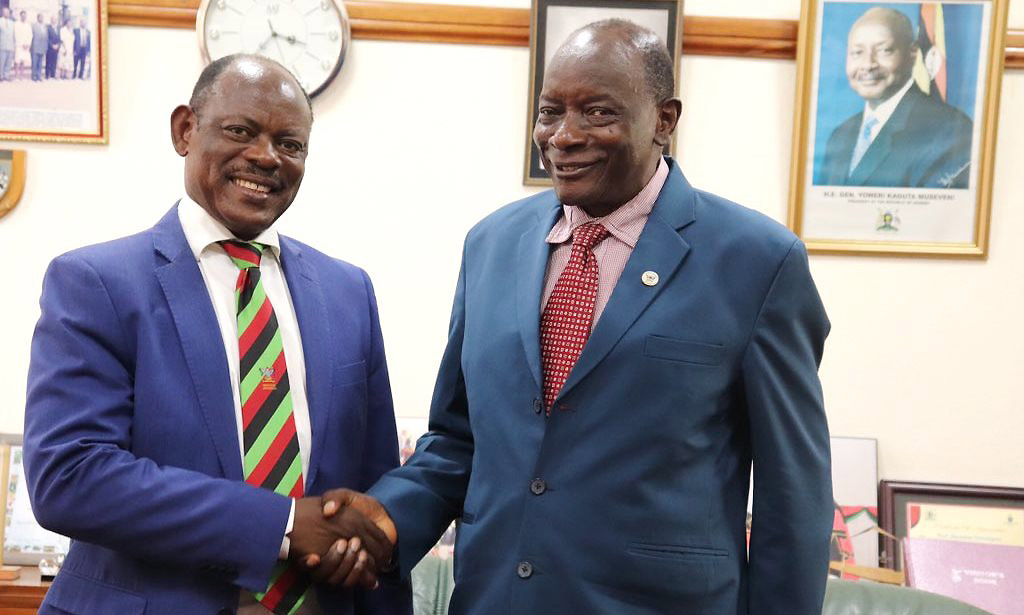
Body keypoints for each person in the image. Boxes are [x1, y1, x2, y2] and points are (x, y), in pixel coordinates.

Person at [325, 18, 833, 615]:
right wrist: (386, 520)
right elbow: (461, 440)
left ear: (664, 121)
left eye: (596, 112)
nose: (563, 136)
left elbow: (792, 496)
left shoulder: (757, 262)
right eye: (549, 111)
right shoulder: (491, 243)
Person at [24, 54, 411, 615]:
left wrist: (361, 543)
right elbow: (71, 475)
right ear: (185, 130)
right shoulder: (96, 283)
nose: (265, 156)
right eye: (240, 131)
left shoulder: (349, 292)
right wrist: (281, 526)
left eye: (291, 143)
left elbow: (374, 485)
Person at [817, 7, 973, 188]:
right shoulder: (840, 136)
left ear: (913, 54)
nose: (868, 64)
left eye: (884, 50)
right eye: (857, 52)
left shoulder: (950, 130)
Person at [14, 10, 31, 80]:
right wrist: (22, 44)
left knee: (23, 61)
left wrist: (27, 44)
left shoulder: (28, 25)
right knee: (17, 61)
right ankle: (16, 75)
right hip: (19, 45)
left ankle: (21, 75)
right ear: (20, 16)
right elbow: (16, 35)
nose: (24, 17)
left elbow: (30, 35)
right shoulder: (16, 24)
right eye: (22, 15)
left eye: (25, 16)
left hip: (26, 46)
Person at [30, 12, 46, 81]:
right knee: (34, 63)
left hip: (42, 47)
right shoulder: (33, 26)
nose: (42, 19)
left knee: (40, 63)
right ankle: (34, 76)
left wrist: (45, 47)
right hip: (35, 47)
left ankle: (39, 76)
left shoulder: (44, 26)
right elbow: (31, 36)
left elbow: (46, 37)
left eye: (42, 17)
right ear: (37, 18)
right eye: (40, 17)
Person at [0, 8, 14, 82]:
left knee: (9, 62)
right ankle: (1, 76)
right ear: (2, 13)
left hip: (10, 45)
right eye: (5, 12)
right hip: (2, 45)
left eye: (8, 13)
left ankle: (6, 75)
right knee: (1, 62)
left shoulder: (12, 22)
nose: (7, 14)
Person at [44, 14, 58, 79]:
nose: (54, 21)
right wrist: (52, 45)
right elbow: (47, 38)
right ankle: (47, 75)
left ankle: (53, 75)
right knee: (48, 61)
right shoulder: (48, 27)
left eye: (55, 20)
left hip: (56, 47)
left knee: (54, 61)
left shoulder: (58, 28)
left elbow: (60, 38)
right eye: (53, 19)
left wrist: (58, 45)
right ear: (51, 20)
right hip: (50, 47)